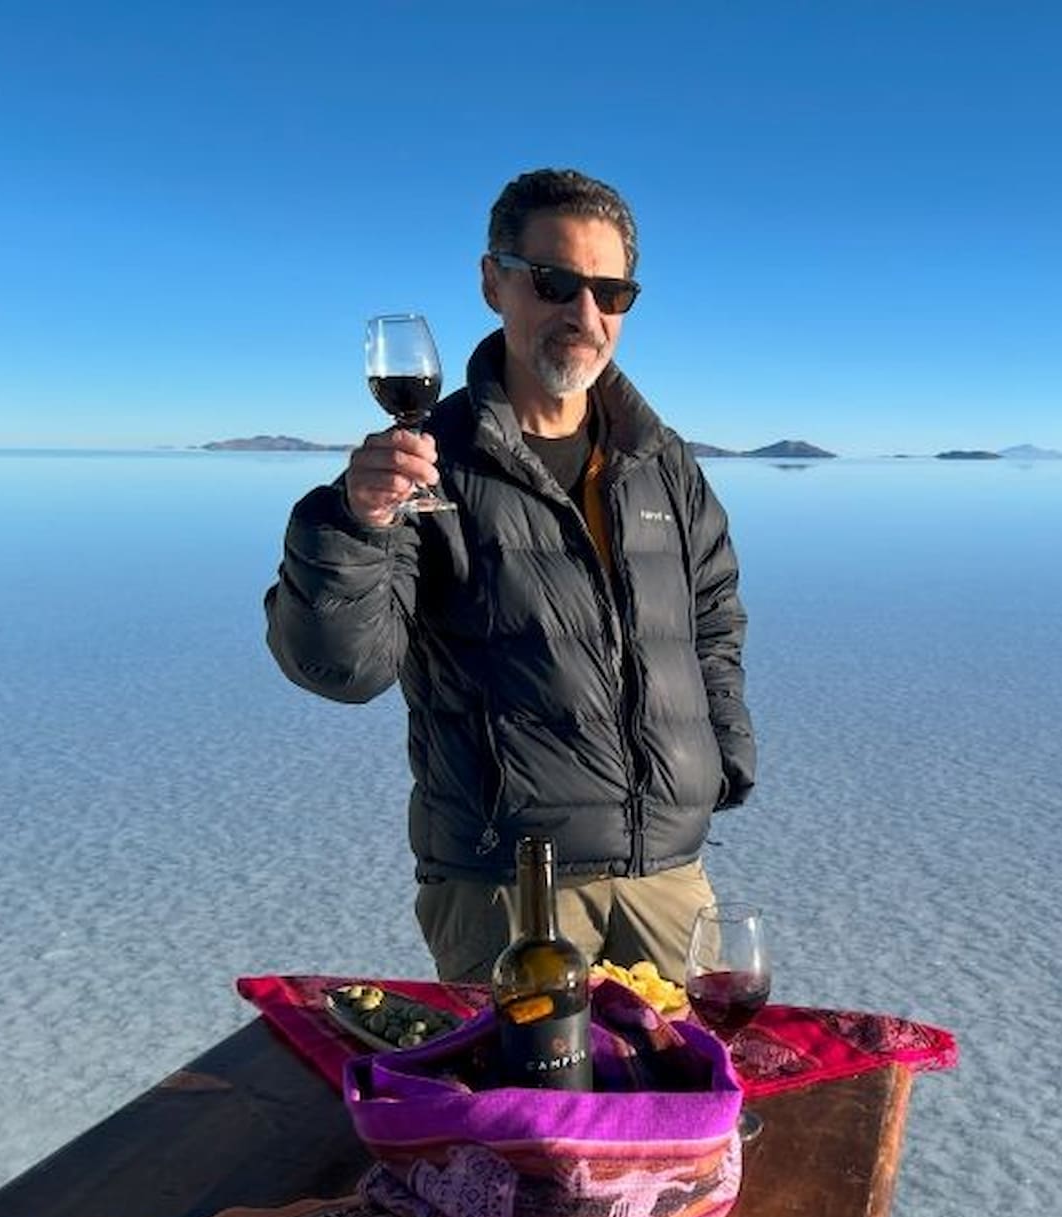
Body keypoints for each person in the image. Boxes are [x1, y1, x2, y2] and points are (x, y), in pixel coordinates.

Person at [265, 167, 755, 983]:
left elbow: (711, 621)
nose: (584, 314)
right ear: (494, 282)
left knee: (686, 1103)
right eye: (555, 282)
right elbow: (341, 669)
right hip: (509, 889)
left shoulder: (661, 464)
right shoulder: (429, 467)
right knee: (529, 1111)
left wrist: (719, 762)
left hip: (668, 877)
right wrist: (353, 523)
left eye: (611, 291)